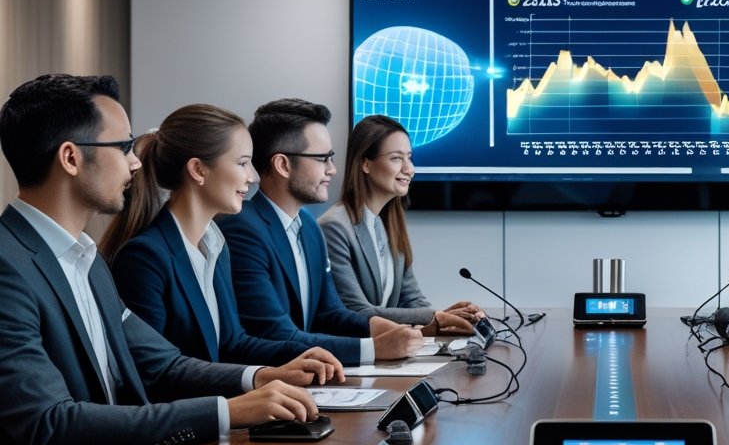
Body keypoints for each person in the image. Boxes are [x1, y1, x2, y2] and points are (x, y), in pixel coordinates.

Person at [0, 75, 323, 445]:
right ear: (70, 158)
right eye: (122, 148)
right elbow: (50, 423)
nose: (136, 162)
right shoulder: (8, 266)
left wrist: (259, 378)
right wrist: (227, 413)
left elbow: (163, 363)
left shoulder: (87, 259)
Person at [101, 104, 346, 379]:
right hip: (188, 420)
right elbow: (155, 374)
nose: (252, 177)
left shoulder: (216, 246)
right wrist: (257, 379)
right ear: (198, 170)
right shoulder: (144, 258)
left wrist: (298, 355)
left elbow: (233, 344)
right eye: (242, 163)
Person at [218, 98, 425, 366]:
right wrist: (372, 349)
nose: (333, 169)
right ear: (282, 165)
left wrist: (379, 326)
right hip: (272, 384)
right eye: (322, 158)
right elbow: (275, 332)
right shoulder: (243, 228)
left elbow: (330, 313)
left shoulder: (309, 227)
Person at [318, 115, 482, 335]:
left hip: (390, 350)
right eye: (396, 159)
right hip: (357, 355)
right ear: (365, 163)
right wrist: (435, 317)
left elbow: (410, 298)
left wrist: (450, 317)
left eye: (409, 158)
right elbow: (355, 310)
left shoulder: (389, 223)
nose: (410, 169)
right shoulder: (334, 227)